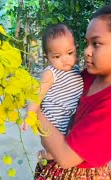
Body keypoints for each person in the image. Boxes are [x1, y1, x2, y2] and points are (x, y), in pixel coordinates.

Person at [34, 3, 111, 179]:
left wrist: (35, 110)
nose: (86, 52)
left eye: (96, 43)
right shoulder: (91, 76)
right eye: (86, 43)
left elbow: (66, 157)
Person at [21, 23, 84, 163]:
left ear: (76, 50)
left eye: (69, 53)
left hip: (70, 118)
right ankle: (43, 154)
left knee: (69, 149)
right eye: (56, 56)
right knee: (53, 153)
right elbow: (38, 94)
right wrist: (29, 115)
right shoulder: (51, 73)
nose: (64, 59)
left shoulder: (76, 70)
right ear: (47, 57)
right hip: (54, 119)